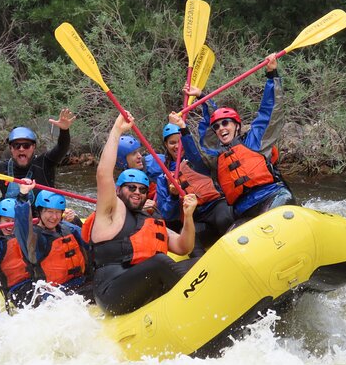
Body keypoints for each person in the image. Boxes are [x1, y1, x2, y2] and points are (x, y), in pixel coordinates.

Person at [82, 112, 199, 316]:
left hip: (141, 284)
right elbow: (103, 174)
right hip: (111, 292)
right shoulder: (111, 210)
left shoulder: (150, 219)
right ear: (119, 190)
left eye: (142, 190)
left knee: (198, 263)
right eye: (131, 188)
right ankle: (196, 304)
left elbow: (183, 246)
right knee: (160, 262)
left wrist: (188, 217)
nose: (137, 192)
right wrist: (117, 131)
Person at [179, 54, 296, 222]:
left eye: (226, 123)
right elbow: (196, 157)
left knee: (272, 218)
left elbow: (270, 111)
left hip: (272, 196)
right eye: (217, 127)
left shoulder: (255, 140)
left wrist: (272, 74)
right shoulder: (215, 159)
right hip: (243, 209)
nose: (221, 128)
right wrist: (184, 128)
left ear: (237, 126)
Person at [156, 114, 235, 248]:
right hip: (195, 218)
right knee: (189, 239)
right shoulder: (163, 178)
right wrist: (173, 196)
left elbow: (195, 151)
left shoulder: (197, 160)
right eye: (172, 142)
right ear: (166, 144)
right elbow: (167, 214)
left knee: (225, 218)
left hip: (216, 206)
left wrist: (183, 129)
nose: (176, 146)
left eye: (179, 141)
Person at [14, 180, 93, 302]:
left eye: (57, 212)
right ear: (40, 212)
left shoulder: (68, 228)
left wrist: (76, 220)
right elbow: (22, 225)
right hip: (55, 295)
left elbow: (90, 240)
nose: (54, 217)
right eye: (50, 212)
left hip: (81, 283)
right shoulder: (34, 238)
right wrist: (23, 195)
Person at [0, 198, 39, 310]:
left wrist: (73, 220)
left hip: (37, 282)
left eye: (14, 221)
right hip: (16, 290)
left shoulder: (26, 233)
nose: (10, 225)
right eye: (6, 220)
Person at [115, 135, 163, 211]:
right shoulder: (120, 186)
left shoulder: (155, 161)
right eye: (134, 153)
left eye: (138, 152)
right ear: (121, 161)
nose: (139, 156)